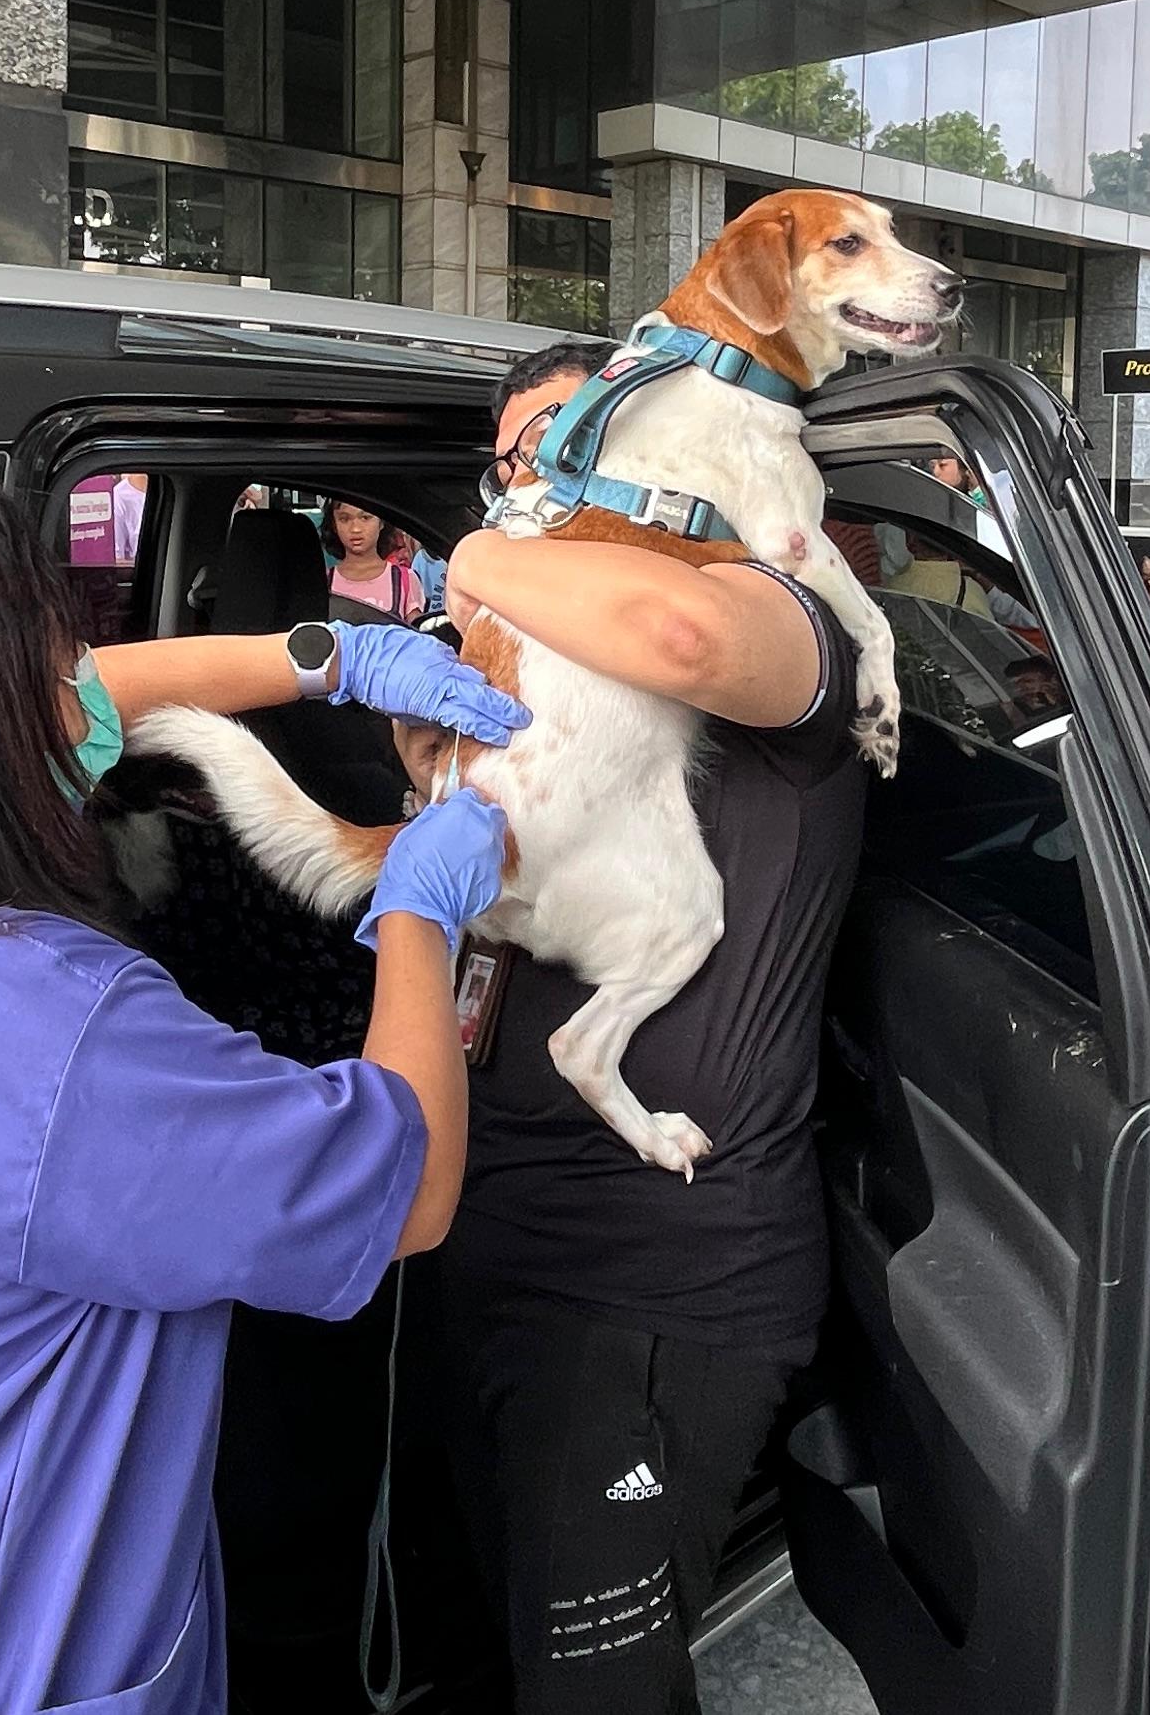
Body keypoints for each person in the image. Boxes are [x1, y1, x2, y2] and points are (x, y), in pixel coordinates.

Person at [0, 455, 530, 1715]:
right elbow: (406, 1188)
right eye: (48, 634)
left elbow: (86, 704)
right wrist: (417, 909)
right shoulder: (45, 1027)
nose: (82, 662)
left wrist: (330, 659)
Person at [411, 333, 868, 1712]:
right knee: (501, 1641)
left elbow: (677, 630)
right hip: (488, 1235)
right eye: (515, 464)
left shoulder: (783, 614)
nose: (544, 482)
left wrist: (477, 558)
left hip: (656, 1282)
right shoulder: (537, 677)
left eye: (575, 445)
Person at [325, 498, 429, 620]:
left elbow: (415, 628)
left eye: (365, 518)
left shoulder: (404, 579)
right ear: (334, 524)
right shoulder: (324, 581)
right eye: (344, 519)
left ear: (381, 522)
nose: (355, 529)